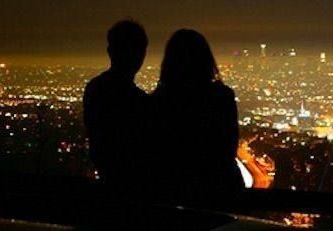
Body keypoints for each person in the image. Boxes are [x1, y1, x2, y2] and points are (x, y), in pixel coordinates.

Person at [150, 29, 244, 206]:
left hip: (173, 191)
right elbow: (229, 146)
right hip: (221, 190)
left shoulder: (160, 100)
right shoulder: (221, 97)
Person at [83, 20, 148, 196]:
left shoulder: (95, 89)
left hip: (106, 184)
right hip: (134, 189)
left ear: (110, 51)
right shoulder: (139, 101)